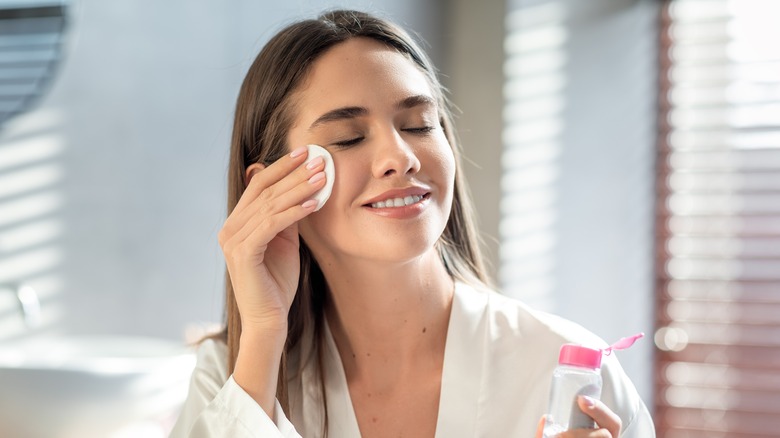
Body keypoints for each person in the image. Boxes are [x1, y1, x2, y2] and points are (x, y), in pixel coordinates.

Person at [170, 9, 655, 438]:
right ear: (271, 188)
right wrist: (261, 333)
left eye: (420, 125)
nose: (399, 157)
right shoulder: (231, 374)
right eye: (347, 137)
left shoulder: (570, 374)